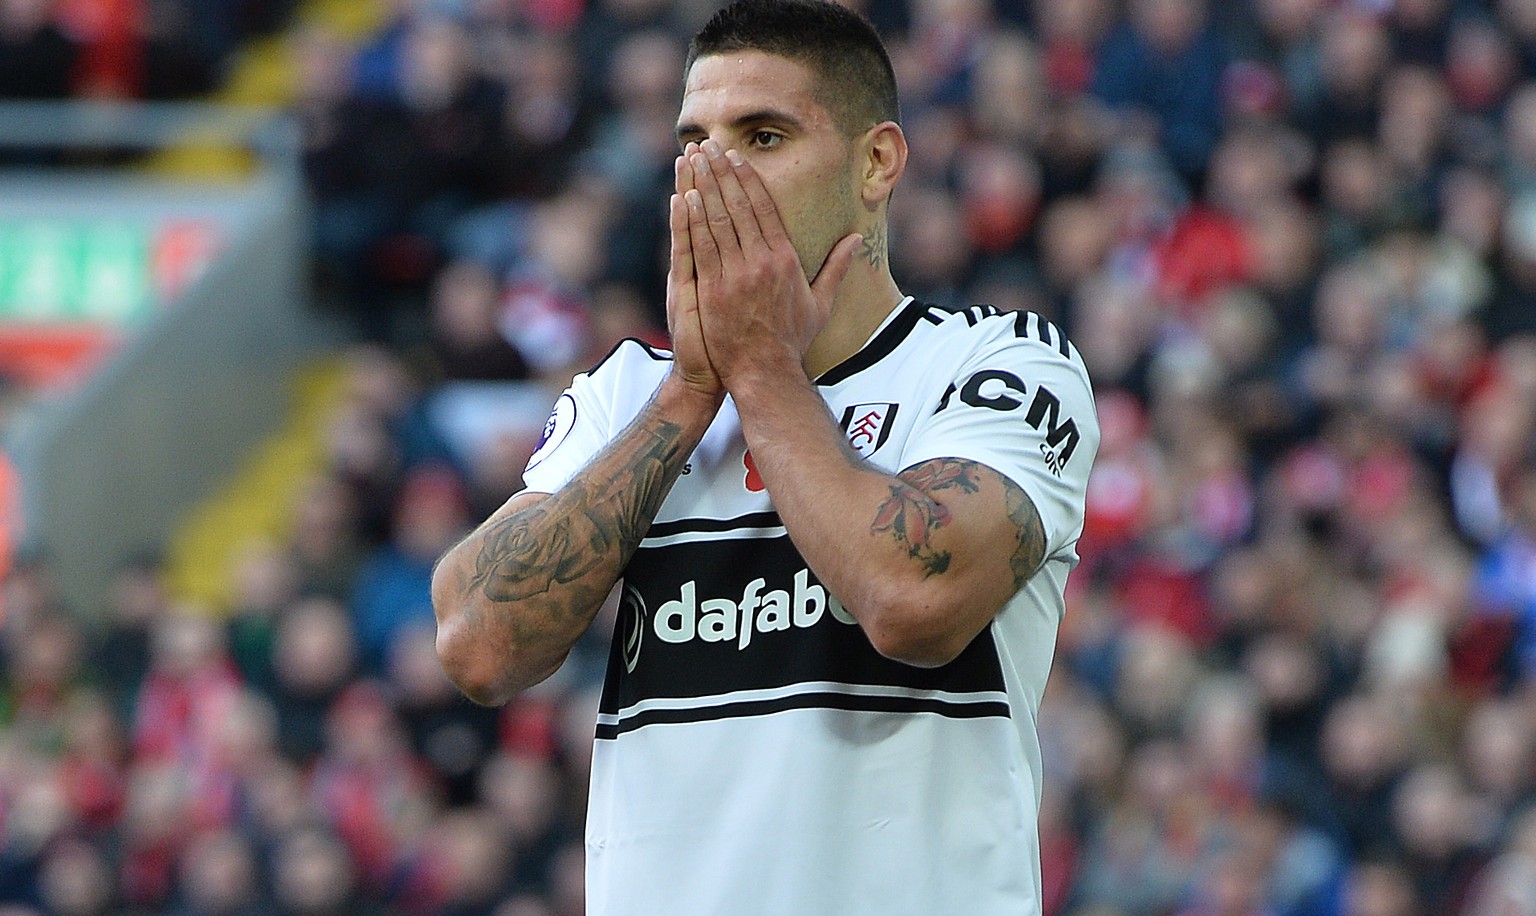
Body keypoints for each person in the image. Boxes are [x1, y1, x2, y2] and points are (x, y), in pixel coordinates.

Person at [430, 1, 1100, 912]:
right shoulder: (632, 393)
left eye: (764, 136)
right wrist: (692, 392)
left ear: (877, 163)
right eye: (694, 142)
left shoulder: (995, 364)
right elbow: (477, 645)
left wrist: (756, 365)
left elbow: (913, 600)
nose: (717, 176)